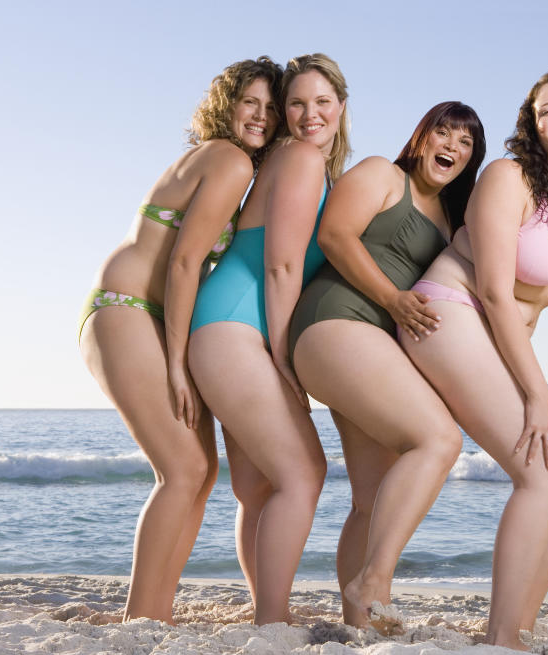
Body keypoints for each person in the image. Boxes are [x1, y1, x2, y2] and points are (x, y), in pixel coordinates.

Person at [401, 72, 548, 650]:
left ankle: (519, 625)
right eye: (545, 110)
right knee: (541, 470)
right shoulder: (509, 178)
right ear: (533, 125)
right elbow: (498, 294)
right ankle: (501, 640)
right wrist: (535, 398)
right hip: (450, 311)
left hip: (504, 339)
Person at [78, 57, 282, 623]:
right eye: (250, 103)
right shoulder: (229, 159)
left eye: (270, 107)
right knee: (183, 470)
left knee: (201, 471)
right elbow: (186, 261)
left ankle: (155, 610)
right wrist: (176, 362)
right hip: (127, 310)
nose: (260, 116)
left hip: (142, 315)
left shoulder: (223, 163)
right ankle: (142, 618)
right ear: (227, 104)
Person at [289, 102, 486, 630]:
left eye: (465, 143)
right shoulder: (383, 173)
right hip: (333, 322)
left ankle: (356, 624)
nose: (452, 146)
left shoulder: (453, 221)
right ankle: (376, 581)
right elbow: (335, 235)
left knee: (371, 500)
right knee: (440, 440)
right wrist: (393, 298)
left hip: (373, 347)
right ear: (421, 138)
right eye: (443, 133)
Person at [187, 53, 350, 625]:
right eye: (296, 104)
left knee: (259, 488)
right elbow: (282, 269)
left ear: (341, 107)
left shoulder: (295, 162)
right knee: (304, 473)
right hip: (237, 331)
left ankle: (267, 611)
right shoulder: (303, 158)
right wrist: (287, 359)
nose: (309, 115)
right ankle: (273, 622)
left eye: (320, 102)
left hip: (223, 329)